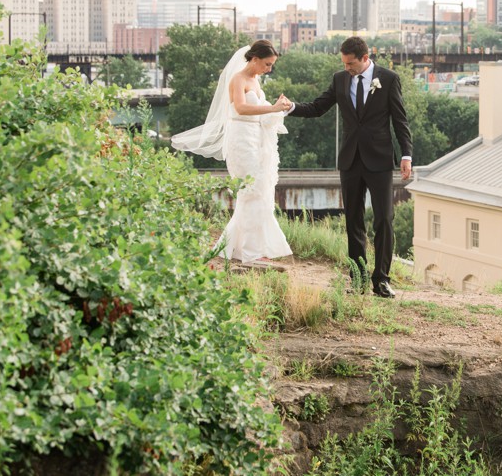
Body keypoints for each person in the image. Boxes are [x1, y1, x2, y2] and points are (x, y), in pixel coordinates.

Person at [287, 37, 412, 298]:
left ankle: (382, 280)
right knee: (353, 221)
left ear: (365, 58)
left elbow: (400, 120)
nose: (347, 68)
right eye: (344, 63)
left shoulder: (388, 79)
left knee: (384, 220)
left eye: (351, 63)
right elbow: (319, 107)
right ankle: (358, 278)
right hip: (350, 161)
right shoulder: (340, 79)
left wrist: (407, 155)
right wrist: (292, 108)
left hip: (379, 160)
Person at [171, 40, 293, 268]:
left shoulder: (255, 81)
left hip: (255, 139)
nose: (269, 69)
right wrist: (272, 108)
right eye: (267, 64)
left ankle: (239, 247)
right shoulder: (237, 79)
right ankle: (250, 252)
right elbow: (240, 108)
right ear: (254, 59)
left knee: (257, 191)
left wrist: (278, 108)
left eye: (271, 65)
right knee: (250, 191)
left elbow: (260, 113)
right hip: (240, 140)